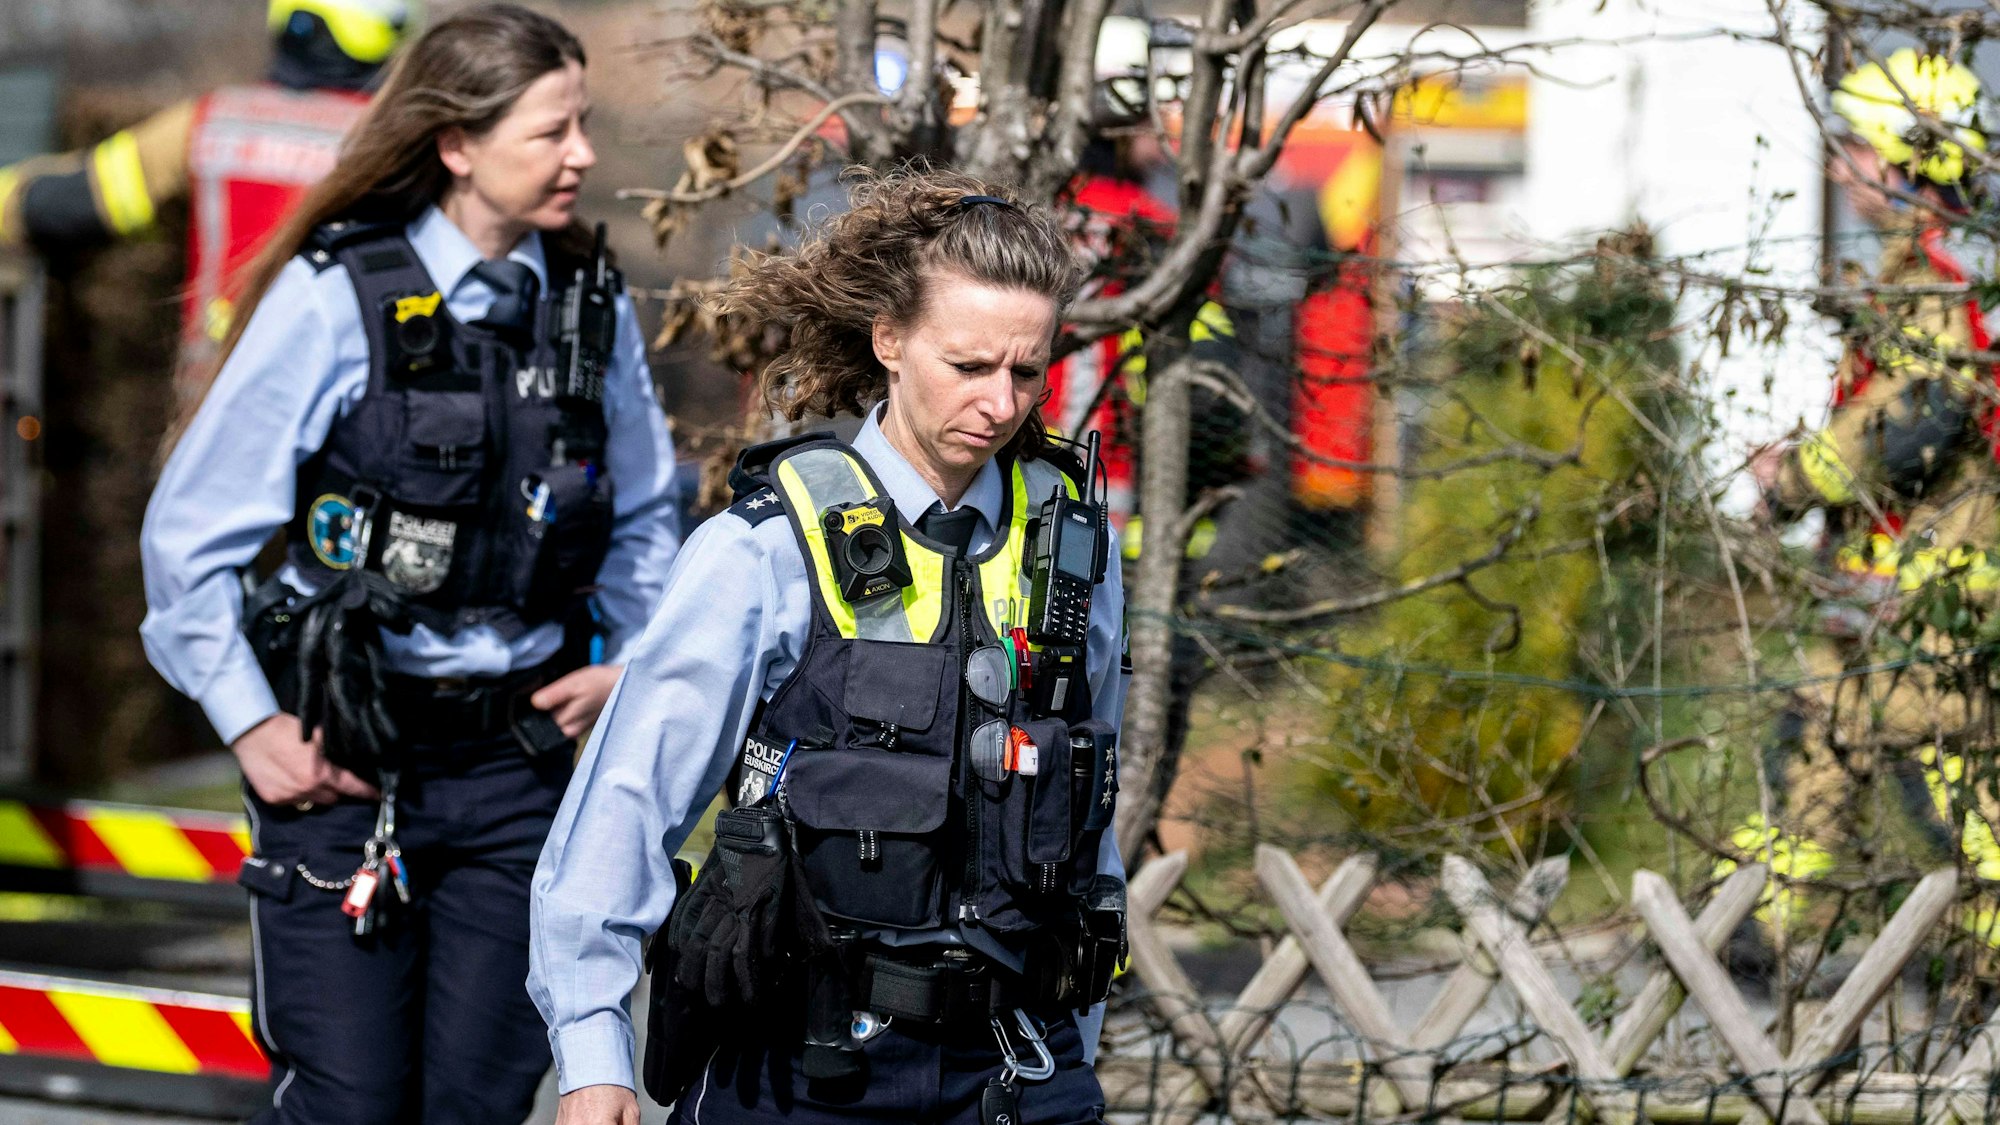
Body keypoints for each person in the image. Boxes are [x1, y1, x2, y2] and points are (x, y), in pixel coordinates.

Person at [138, 7, 681, 1122]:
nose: (582, 154)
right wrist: (251, 726)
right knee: (350, 1103)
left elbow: (645, 515)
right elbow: (188, 539)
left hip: (518, 774)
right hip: (344, 768)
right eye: (552, 131)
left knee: (478, 1103)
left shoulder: (589, 305)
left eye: (581, 124)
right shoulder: (336, 297)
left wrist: (628, 658)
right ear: (456, 144)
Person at [531, 168, 1128, 1125]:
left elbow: (1090, 811)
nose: (1000, 401)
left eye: (1027, 371)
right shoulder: (766, 546)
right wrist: (593, 1049)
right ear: (889, 341)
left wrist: (1077, 1043)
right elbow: (627, 800)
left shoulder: (1073, 546)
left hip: (1020, 1070)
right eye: (969, 365)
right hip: (808, 1070)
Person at [1746, 48, 2000, 930]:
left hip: (1934, 605)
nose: (1836, 163)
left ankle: (1986, 988)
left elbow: (1917, 416)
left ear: (1907, 161)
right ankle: (1756, 948)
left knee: (1954, 803)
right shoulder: (1912, 274)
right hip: (1879, 597)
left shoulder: (1937, 277)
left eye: (1854, 145)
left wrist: (1798, 478)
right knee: (1811, 756)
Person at [0, 0, 414, 381]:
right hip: (361, 406)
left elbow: (80, 200)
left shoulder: (212, 123)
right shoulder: (409, 142)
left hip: (220, 397)